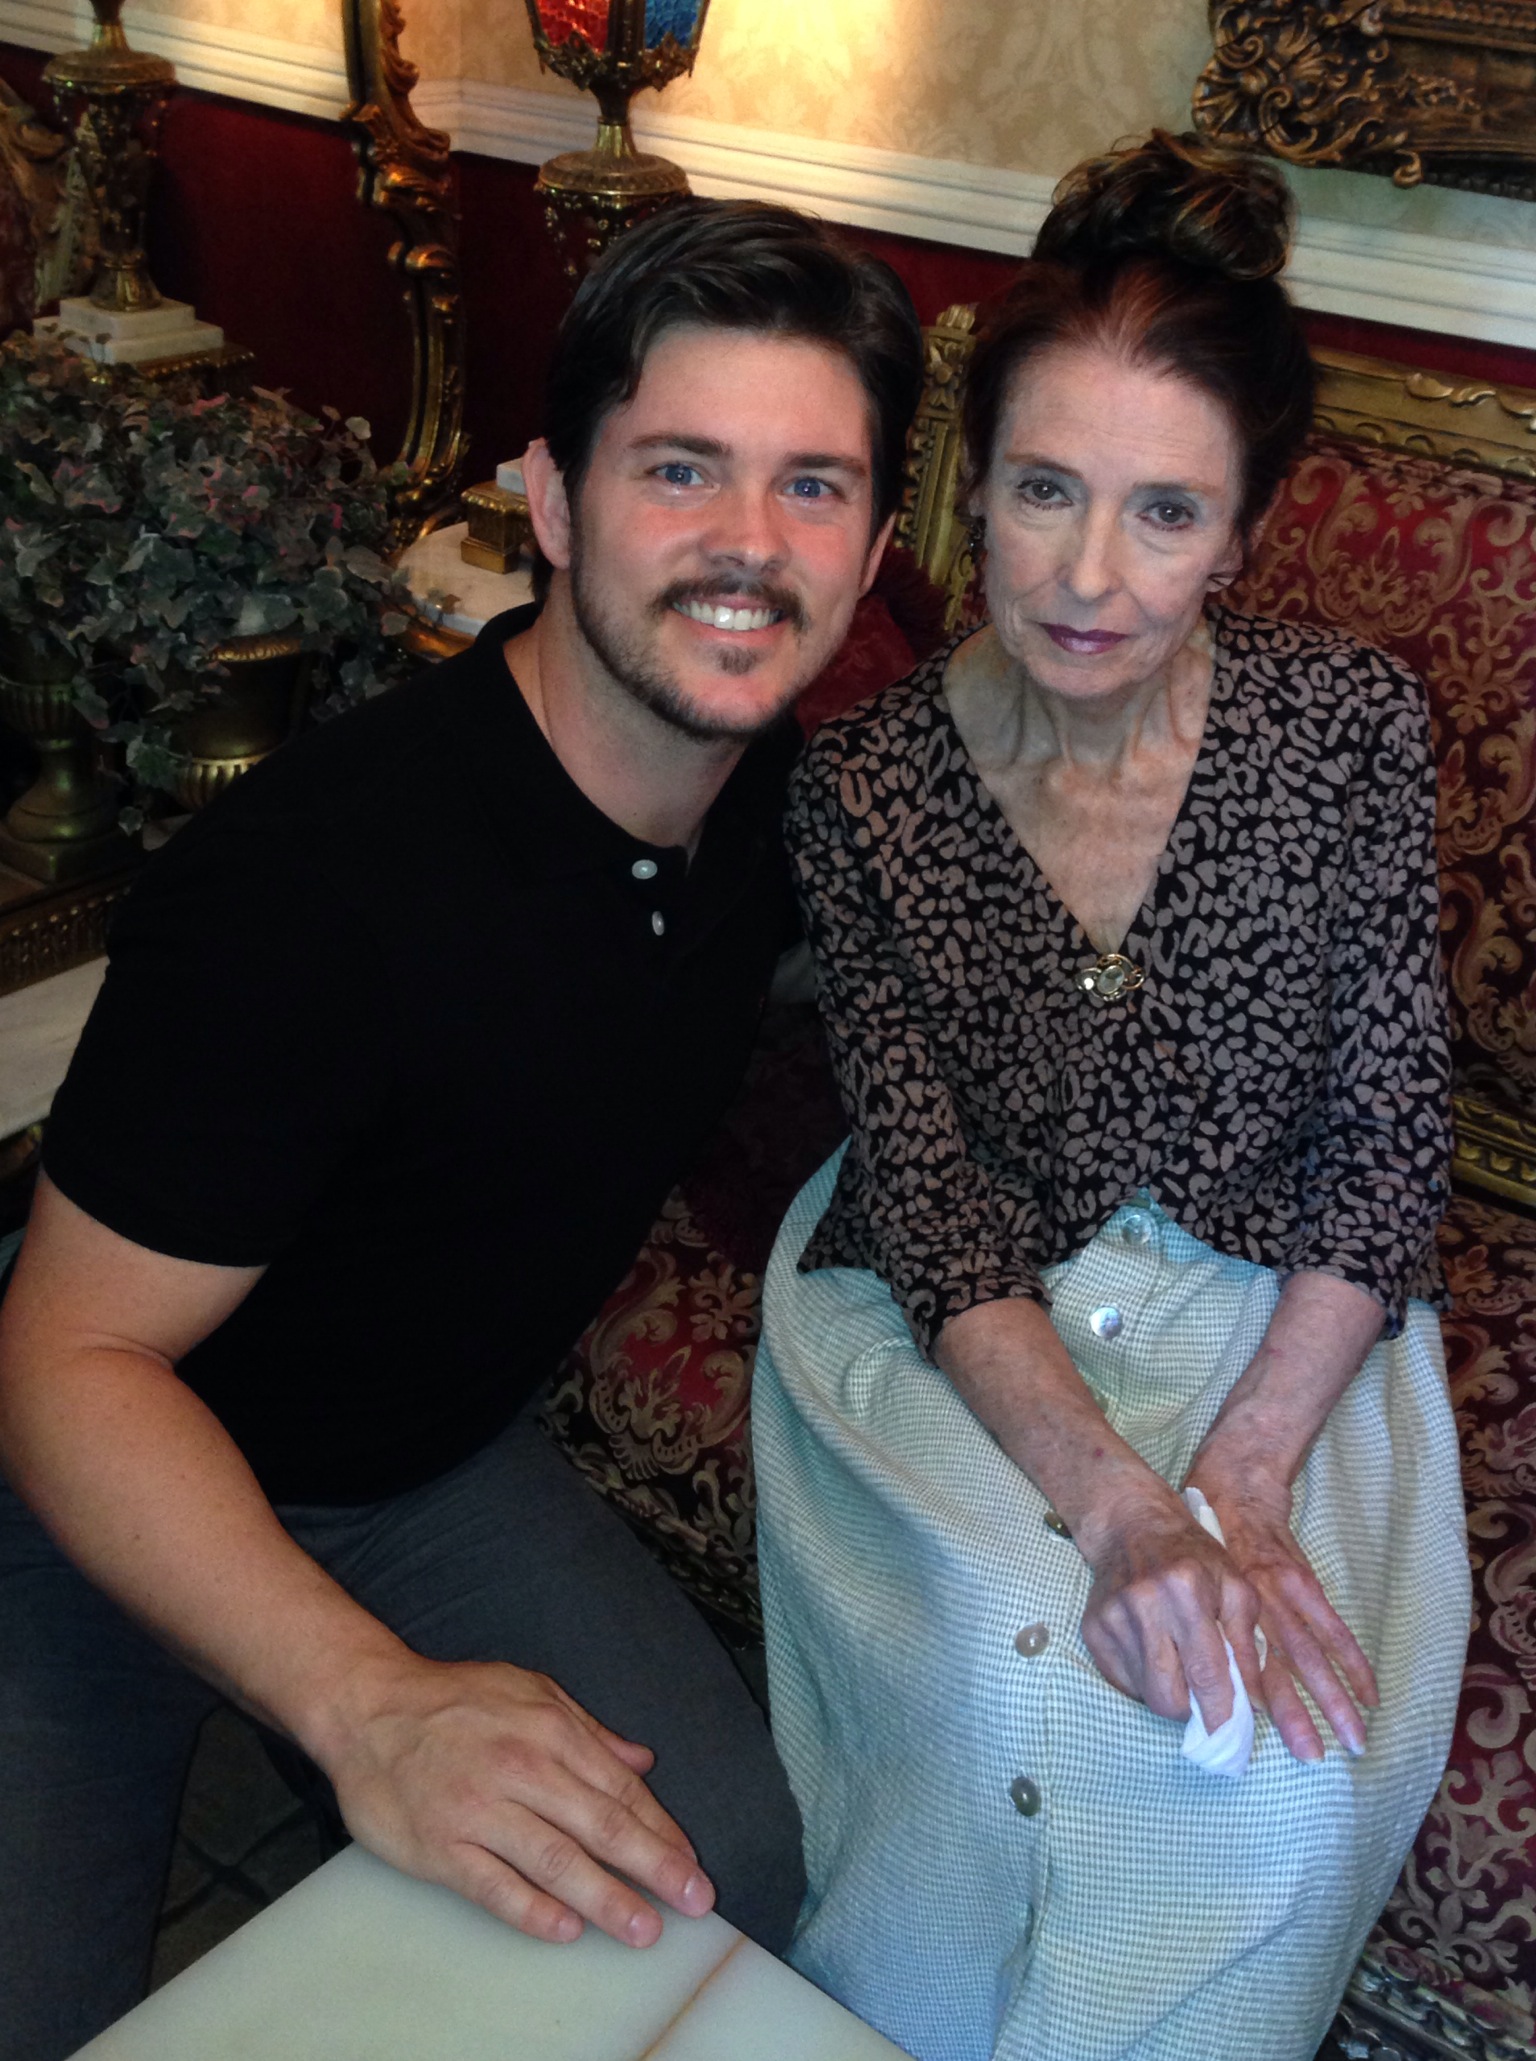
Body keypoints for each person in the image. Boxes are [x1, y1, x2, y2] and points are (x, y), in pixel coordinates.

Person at [0, 198, 924, 2061]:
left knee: (717, 1872)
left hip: (409, 1470)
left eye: (814, 487)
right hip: (91, 1481)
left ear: (876, 548)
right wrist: (369, 1707)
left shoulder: (774, 810)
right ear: (556, 501)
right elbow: (67, 1353)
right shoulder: (315, 886)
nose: (751, 545)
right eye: (684, 469)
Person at [752, 133, 1470, 2061]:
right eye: (1046, 492)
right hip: (961, 1320)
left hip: (1278, 1316)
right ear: (966, 483)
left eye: (1165, 514)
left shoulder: (1346, 732)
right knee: (1024, 1694)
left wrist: (1234, 1477)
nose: (1088, 575)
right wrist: (1115, 1505)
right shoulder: (866, 790)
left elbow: (1386, 1138)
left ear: (1244, 529)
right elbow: (928, 1193)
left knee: (1281, 1763)